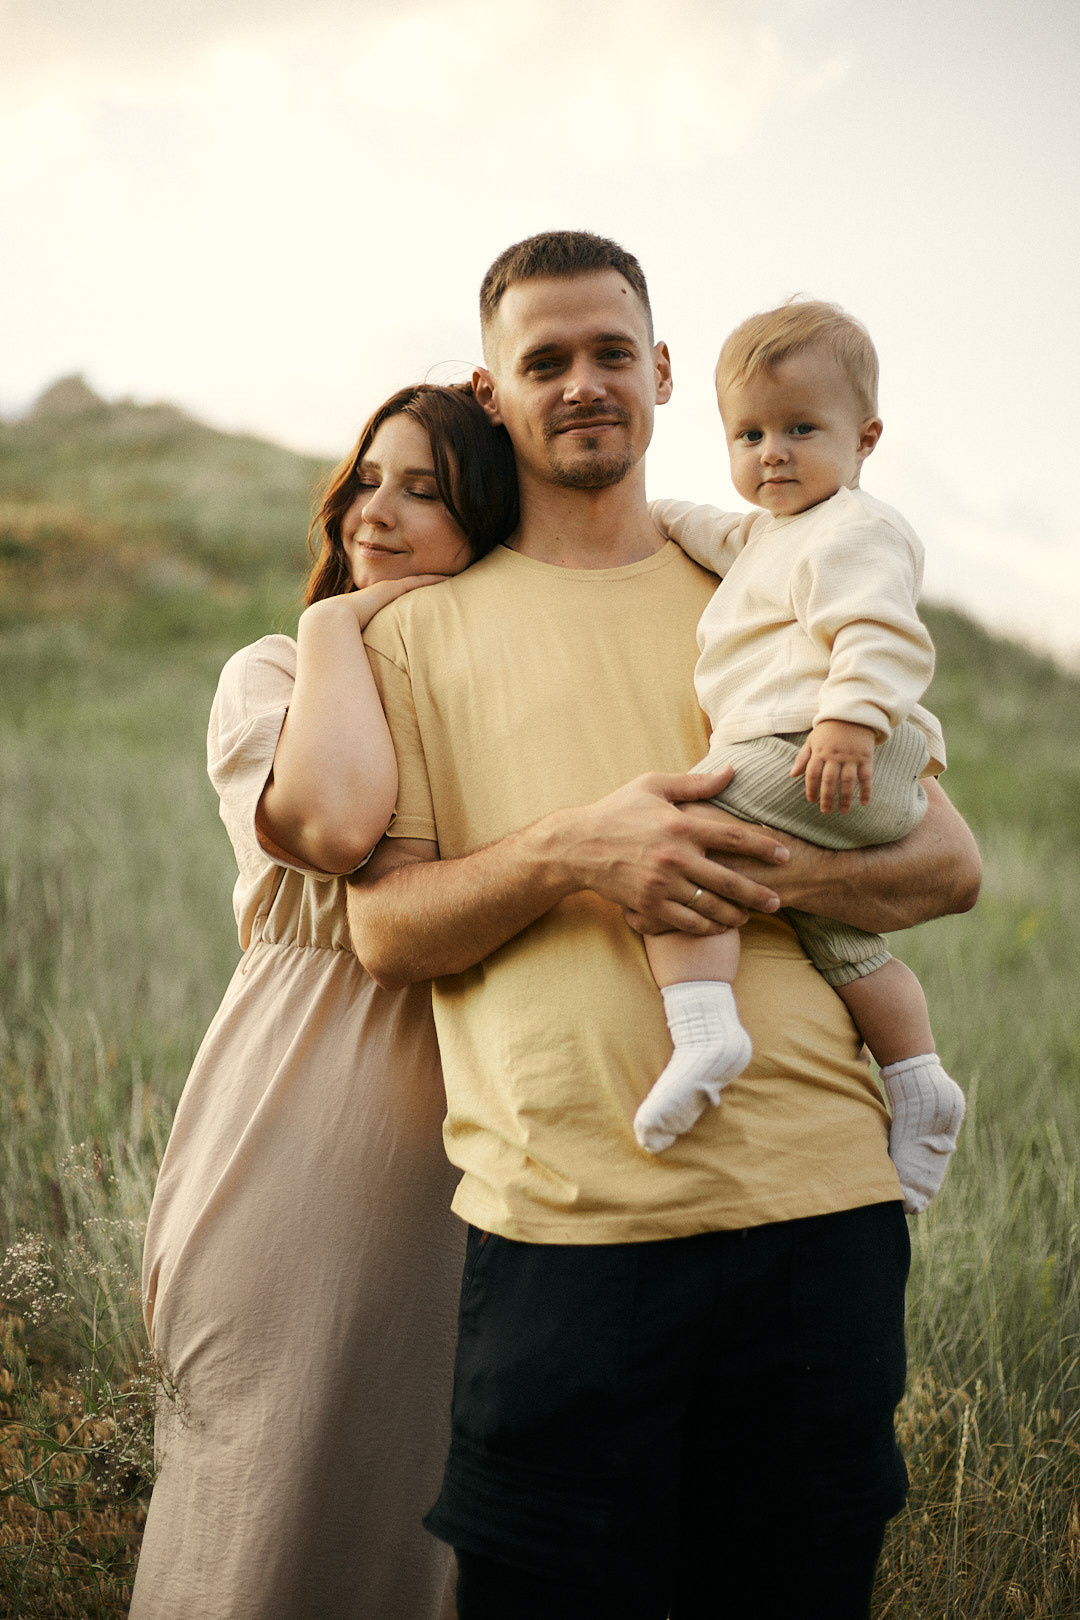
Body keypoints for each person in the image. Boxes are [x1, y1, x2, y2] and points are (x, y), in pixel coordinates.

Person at [346, 232, 981, 1618]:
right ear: (492, 388)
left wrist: (722, 866)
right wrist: (580, 851)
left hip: (820, 1216)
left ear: (663, 373)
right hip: (568, 1230)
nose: (584, 383)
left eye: (612, 353)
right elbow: (386, 934)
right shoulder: (415, 635)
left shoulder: (771, 573)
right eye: (546, 360)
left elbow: (946, 865)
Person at [130, 384, 518, 1620]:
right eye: (368, 479)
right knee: (254, 1528)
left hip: (469, 1162)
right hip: (287, 1139)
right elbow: (340, 824)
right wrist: (350, 629)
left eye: (427, 490)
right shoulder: (275, 673)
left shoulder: (505, 694)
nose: (378, 512)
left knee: (411, 1537)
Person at [632, 300, 966, 1215]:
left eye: (799, 429)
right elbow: (703, 526)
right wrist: (646, 509)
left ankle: (705, 1031)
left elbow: (880, 630)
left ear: (865, 438)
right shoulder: (766, 536)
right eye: (748, 434)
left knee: (679, 848)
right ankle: (919, 1079)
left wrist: (849, 721)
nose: (770, 452)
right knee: (844, 940)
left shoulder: (855, 528)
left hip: (826, 748)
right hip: (831, 762)